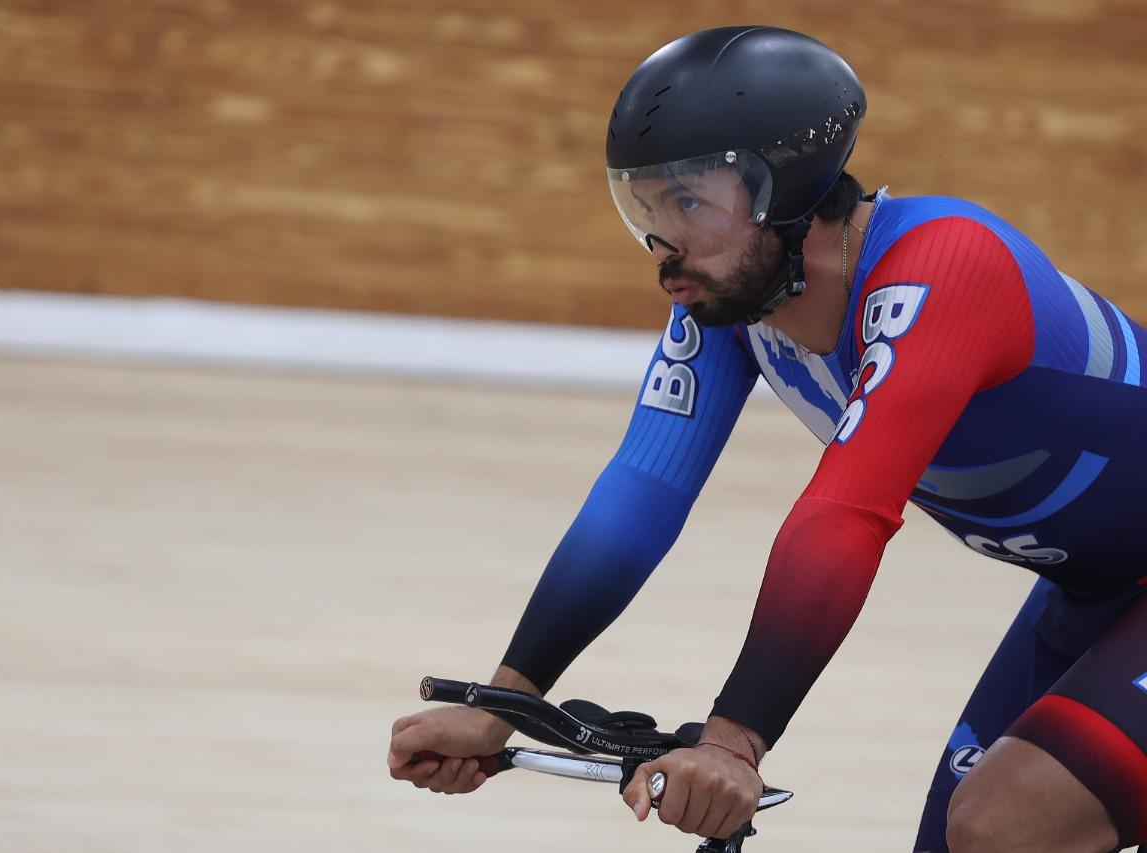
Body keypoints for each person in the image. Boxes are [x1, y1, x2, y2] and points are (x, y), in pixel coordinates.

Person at [387, 26, 1147, 853]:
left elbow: (846, 513)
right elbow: (638, 496)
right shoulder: (729, 306)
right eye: (645, 206)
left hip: (1107, 578)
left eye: (689, 203)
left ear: (783, 194)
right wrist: (504, 703)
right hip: (1099, 586)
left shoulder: (948, 266)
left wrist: (736, 737)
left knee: (1007, 826)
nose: (661, 244)